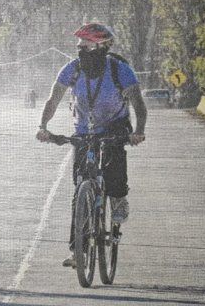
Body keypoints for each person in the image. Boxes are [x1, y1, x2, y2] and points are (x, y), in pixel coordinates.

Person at [35, 23, 147, 268]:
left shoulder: (119, 70)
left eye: (86, 46)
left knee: (114, 167)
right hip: (84, 131)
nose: (81, 51)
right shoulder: (72, 69)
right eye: (79, 47)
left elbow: (138, 104)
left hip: (115, 127)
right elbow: (53, 99)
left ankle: (118, 199)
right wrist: (43, 126)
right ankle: (79, 251)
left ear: (102, 47)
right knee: (80, 189)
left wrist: (138, 131)